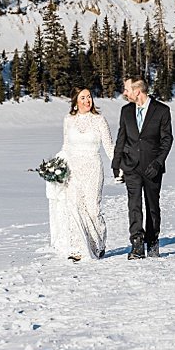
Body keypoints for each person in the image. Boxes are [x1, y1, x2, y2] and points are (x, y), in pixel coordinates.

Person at [50, 87, 114, 261]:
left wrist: (119, 166)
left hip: (93, 167)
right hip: (73, 169)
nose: (87, 101)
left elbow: (109, 147)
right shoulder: (68, 120)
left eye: (89, 97)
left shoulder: (99, 120)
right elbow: (66, 146)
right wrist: (56, 167)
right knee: (75, 207)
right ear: (76, 102)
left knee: (93, 208)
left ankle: (98, 244)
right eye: (83, 97)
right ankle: (77, 248)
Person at [114, 75, 173, 259]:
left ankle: (153, 240)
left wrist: (158, 162)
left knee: (152, 205)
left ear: (137, 91)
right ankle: (137, 244)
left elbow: (167, 140)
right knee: (134, 205)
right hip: (131, 165)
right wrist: (116, 163)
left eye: (127, 89)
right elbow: (121, 138)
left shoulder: (162, 110)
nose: (124, 93)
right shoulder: (125, 111)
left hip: (152, 167)